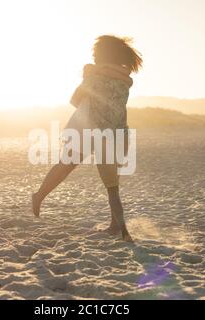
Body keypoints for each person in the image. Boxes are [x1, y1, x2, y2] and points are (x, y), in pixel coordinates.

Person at [32, 35, 142, 242]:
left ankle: (39, 197)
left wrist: (88, 77)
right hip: (118, 133)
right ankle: (117, 227)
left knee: (67, 164)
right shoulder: (126, 80)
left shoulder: (93, 75)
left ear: (101, 55)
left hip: (90, 129)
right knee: (112, 185)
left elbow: (74, 99)